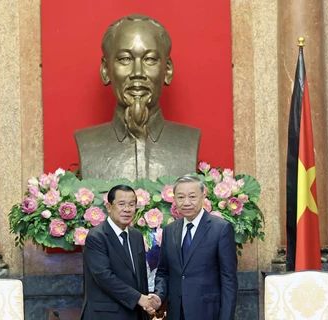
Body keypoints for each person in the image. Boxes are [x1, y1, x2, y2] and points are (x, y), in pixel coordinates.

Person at [75, 14, 200, 181]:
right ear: (106, 70)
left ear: (167, 70)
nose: (138, 73)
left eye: (150, 59)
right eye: (125, 59)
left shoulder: (188, 140)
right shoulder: (87, 143)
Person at [150, 175, 238, 320]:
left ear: (203, 196)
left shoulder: (220, 229)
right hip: (176, 313)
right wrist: (159, 296)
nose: (186, 202)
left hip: (208, 312)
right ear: (174, 200)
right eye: (180, 197)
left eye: (192, 197)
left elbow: (229, 280)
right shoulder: (170, 230)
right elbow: (164, 272)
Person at [81, 184, 157, 320]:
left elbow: (140, 277)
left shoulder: (136, 236)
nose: (127, 209)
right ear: (109, 207)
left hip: (135, 313)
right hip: (105, 315)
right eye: (121, 204)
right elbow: (103, 276)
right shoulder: (97, 236)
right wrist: (139, 298)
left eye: (131, 205)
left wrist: (146, 305)